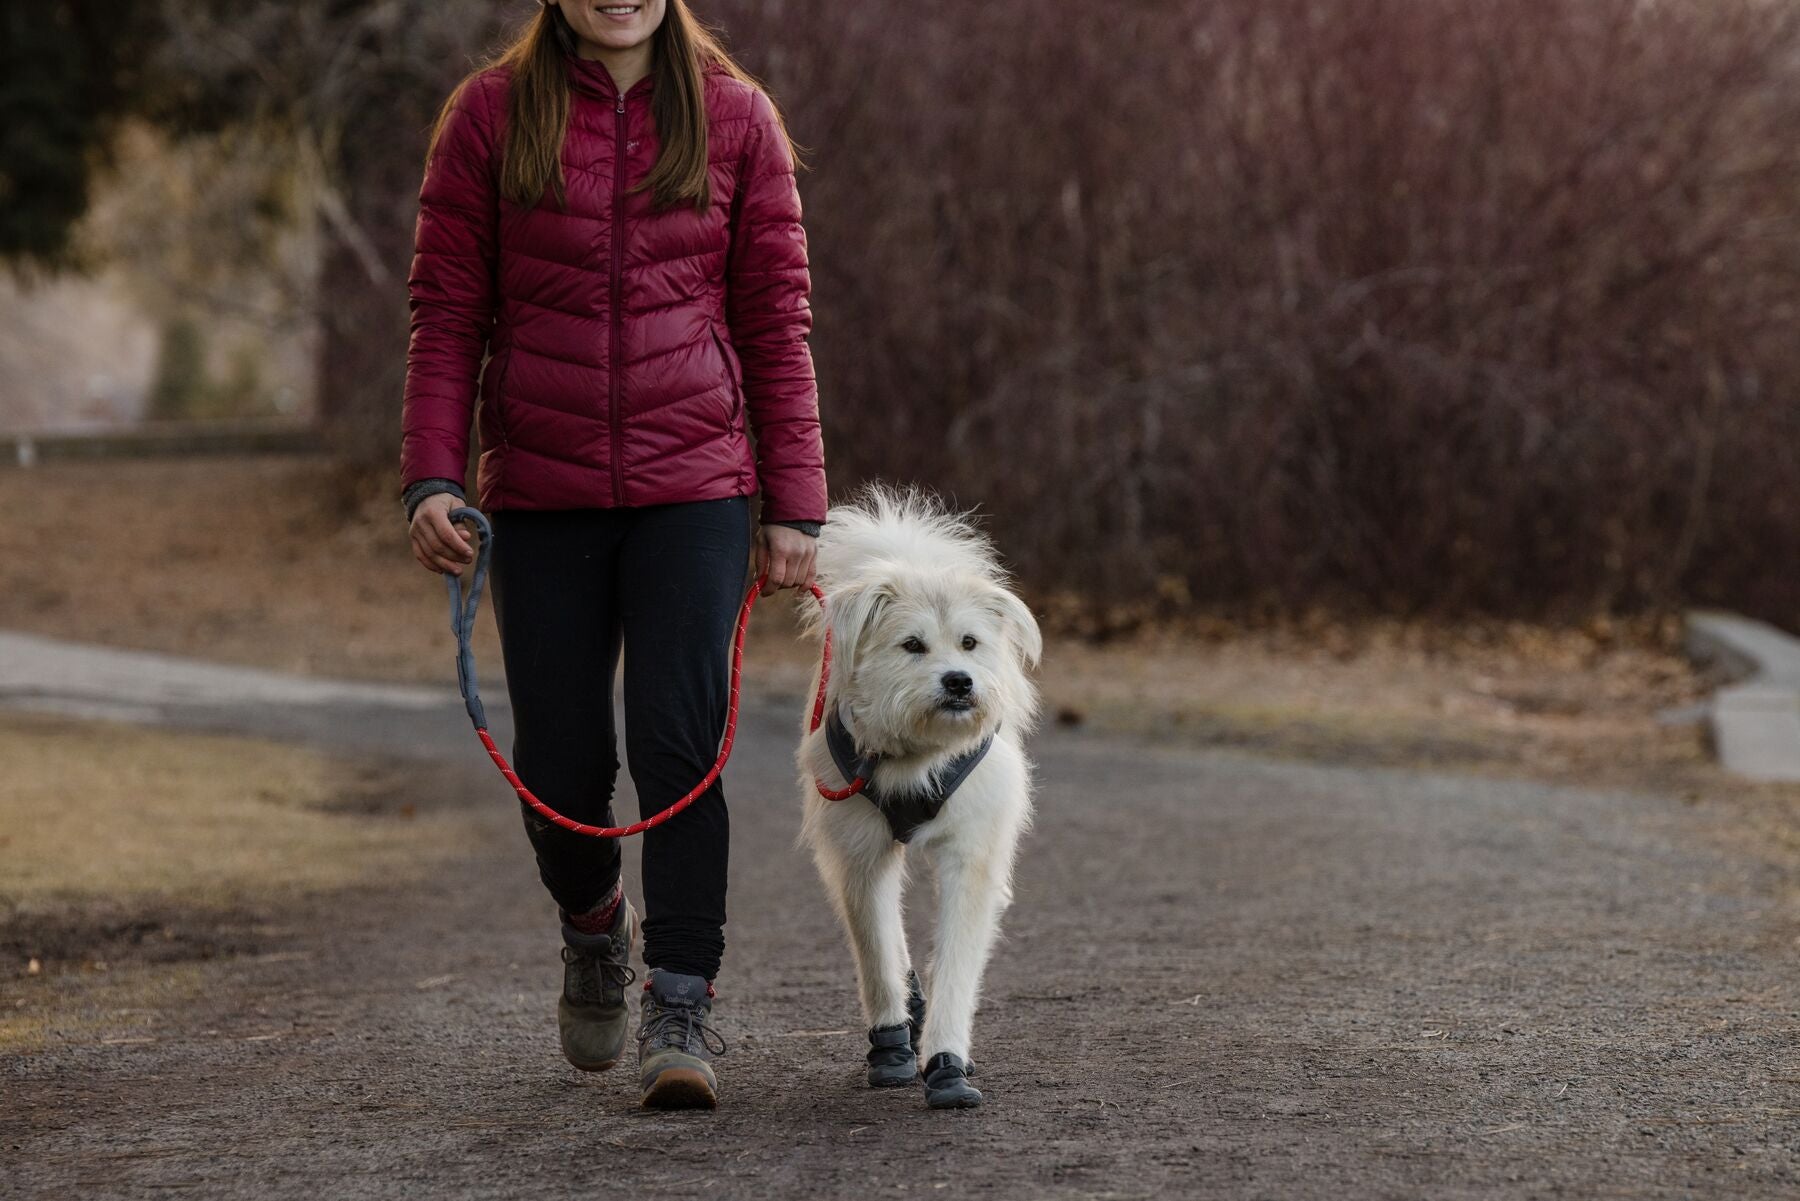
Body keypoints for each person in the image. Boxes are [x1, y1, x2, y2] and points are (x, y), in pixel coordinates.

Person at [398, 0, 825, 1110]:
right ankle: (594, 922)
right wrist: (433, 477)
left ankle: (679, 999)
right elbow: (447, 315)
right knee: (562, 766)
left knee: (679, 745)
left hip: (698, 490)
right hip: (543, 493)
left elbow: (775, 323)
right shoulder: (489, 117)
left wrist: (795, 504)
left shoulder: (736, 119)